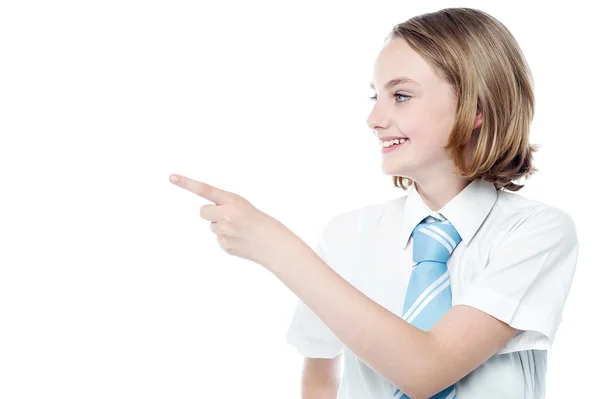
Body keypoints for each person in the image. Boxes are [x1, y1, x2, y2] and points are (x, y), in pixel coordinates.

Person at [285, 7, 579, 399]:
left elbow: (426, 371)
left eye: (401, 96)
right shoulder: (347, 235)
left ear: (475, 107)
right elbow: (319, 373)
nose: (374, 118)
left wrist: (278, 250)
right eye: (377, 96)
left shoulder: (533, 232)